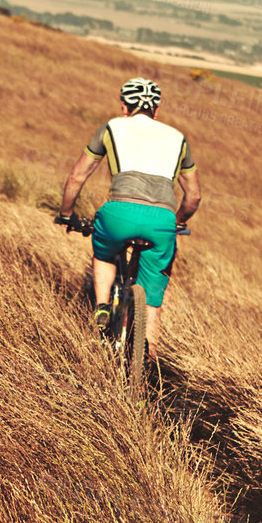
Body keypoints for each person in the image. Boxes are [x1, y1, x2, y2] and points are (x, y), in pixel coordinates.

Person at [59, 78, 202, 342]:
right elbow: (193, 196)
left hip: (118, 214)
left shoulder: (111, 128)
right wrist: (177, 221)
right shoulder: (179, 138)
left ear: (124, 107)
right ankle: (147, 357)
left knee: (104, 254)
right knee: (152, 300)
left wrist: (66, 214)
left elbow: (77, 177)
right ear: (156, 110)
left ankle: (102, 307)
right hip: (162, 221)